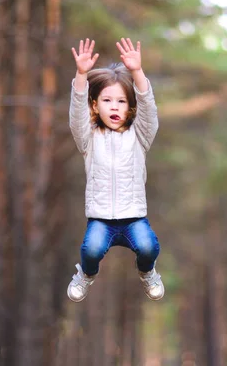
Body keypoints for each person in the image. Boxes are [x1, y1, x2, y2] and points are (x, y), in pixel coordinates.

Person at [66, 37, 164, 302]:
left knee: (148, 246)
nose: (114, 106)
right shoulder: (88, 138)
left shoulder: (140, 135)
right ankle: (85, 276)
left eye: (121, 102)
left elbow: (149, 110)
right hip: (101, 218)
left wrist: (137, 72)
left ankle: (148, 272)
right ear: (95, 106)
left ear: (130, 107)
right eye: (107, 100)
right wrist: (81, 75)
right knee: (91, 249)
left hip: (133, 216)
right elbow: (76, 116)